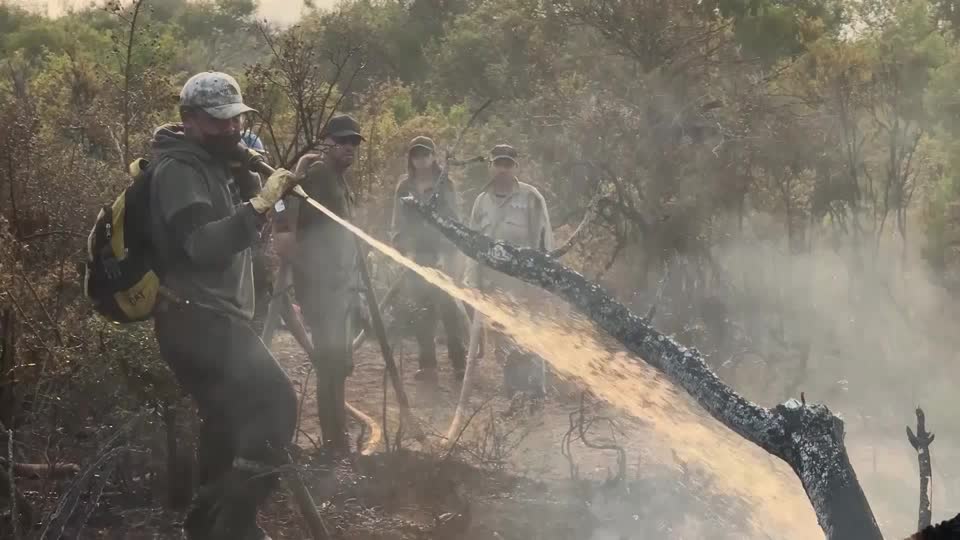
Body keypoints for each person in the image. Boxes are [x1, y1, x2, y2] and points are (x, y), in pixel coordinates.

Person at [148, 71, 299, 540]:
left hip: (212, 318)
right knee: (277, 403)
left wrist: (255, 189)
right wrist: (257, 207)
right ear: (189, 119)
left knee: (227, 419)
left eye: (235, 121)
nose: (230, 130)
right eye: (218, 122)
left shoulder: (214, 162)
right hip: (195, 321)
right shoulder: (179, 170)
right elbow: (201, 245)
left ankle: (207, 527)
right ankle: (233, 523)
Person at [272, 113, 363, 454]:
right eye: (342, 141)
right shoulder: (318, 172)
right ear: (328, 142)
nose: (349, 148)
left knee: (340, 364)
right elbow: (284, 198)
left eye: (354, 142)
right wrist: (286, 239)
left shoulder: (338, 179)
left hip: (340, 284)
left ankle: (336, 439)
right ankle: (333, 444)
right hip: (320, 286)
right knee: (330, 363)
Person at [463, 143, 554, 401]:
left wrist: (541, 283)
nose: (502, 169)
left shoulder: (531, 197)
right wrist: (472, 283)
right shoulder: (481, 201)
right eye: (498, 163)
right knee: (503, 341)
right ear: (490, 166)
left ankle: (536, 393)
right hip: (493, 287)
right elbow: (473, 244)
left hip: (525, 285)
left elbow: (544, 242)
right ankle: (513, 393)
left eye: (508, 164)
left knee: (530, 337)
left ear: (516, 166)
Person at [390, 136, 468, 383]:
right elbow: (398, 221)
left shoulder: (445, 184)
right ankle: (428, 366)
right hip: (415, 255)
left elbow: (454, 219)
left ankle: (459, 363)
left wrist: (450, 255)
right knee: (421, 312)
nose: (421, 160)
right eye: (416, 155)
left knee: (448, 311)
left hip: (441, 254)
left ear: (433, 156)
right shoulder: (404, 187)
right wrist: (402, 249)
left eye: (425, 155)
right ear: (410, 159)